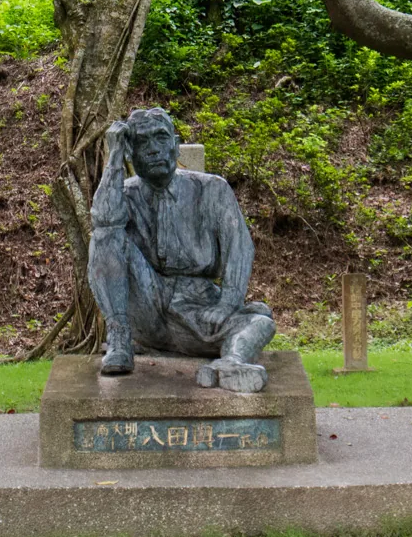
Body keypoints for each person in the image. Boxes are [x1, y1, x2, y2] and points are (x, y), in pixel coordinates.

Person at [88, 107, 276, 392]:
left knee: (260, 323)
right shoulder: (123, 193)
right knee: (105, 234)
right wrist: (114, 156)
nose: (153, 150)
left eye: (161, 138)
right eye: (142, 142)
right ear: (131, 153)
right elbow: (102, 221)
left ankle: (233, 361)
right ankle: (119, 338)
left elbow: (239, 247)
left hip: (198, 307)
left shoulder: (212, 190)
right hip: (147, 307)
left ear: (176, 146)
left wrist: (227, 304)